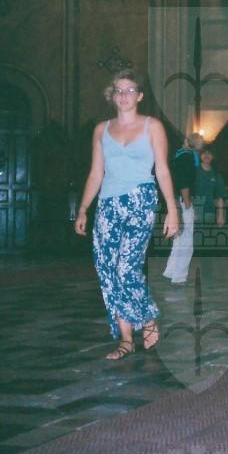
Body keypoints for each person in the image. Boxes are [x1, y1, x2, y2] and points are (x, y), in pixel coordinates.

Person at [74, 70, 180, 360]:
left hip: (140, 200)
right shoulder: (101, 129)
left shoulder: (152, 126)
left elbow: (162, 169)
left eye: (130, 90)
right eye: (118, 90)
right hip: (107, 204)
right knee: (107, 269)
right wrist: (83, 208)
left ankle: (147, 318)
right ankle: (125, 339)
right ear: (112, 95)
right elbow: (96, 173)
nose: (123, 95)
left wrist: (172, 209)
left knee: (126, 268)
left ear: (140, 95)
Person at [163, 132, 204, 285]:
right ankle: (179, 277)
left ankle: (171, 272)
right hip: (184, 200)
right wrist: (188, 202)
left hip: (177, 199)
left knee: (179, 240)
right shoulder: (188, 158)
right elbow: (184, 181)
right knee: (186, 241)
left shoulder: (179, 156)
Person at [194, 147, 226, 226]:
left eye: (209, 153)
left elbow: (220, 196)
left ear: (213, 156)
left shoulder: (216, 174)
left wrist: (220, 216)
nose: (206, 155)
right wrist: (191, 211)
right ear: (200, 155)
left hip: (210, 213)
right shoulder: (194, 171)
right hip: (194, 213)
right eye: (204, 153)